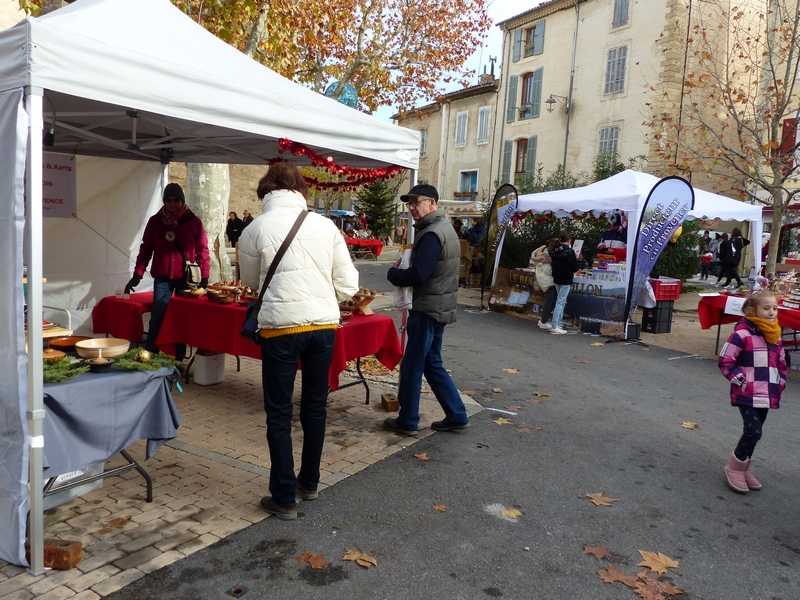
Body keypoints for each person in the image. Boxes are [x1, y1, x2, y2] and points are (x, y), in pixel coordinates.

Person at [238, 162, 359, 521]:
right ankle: (310, 482)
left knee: (278, 412)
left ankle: (284, 497)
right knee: (315, 407)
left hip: (281, 330)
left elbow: (250, 283)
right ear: (300, 189)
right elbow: (349, 285)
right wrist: (324, 298)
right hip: (323, 327)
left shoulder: (255, 228)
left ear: (267, 192)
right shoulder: (326, 226)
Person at [383, 183, 469, 436]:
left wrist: (393, 274)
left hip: (427, 309)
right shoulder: (444, 229)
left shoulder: (432, 233)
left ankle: (407, 421)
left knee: (412, 366)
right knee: (432, 363)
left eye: (416, 202)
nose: (411, 208)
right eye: (409, 204)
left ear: (431, 203)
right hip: (438, 307)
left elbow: (419, 274)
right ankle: (457, 414)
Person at [125, 183, 210, 366]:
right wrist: (138, 273)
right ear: (164, 201)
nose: (172, 203)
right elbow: (146, 249)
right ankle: (150, 353)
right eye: (169, 200)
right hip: (162, 277)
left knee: (180, 318)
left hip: (184, 279)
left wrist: (204, 275)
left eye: (176, 200)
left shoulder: (193, 222)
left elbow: (203, 250)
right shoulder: (155, 222)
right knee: (158, 315)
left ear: (182, 201)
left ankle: (178, 358)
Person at [718, 291, 786, 493]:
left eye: (774, 308)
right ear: (751, 311)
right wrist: (741, 381)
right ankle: (734, 468)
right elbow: (725, 360)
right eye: (766, 308)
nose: (772, 312)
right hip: (747, 392)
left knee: (756, 434)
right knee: (753, 431)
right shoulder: (741, 334)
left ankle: (744, 467)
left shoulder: (775, 335)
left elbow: (781, 363)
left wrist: (780, 381)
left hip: (768, 392)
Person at [549, 230, 578, 335]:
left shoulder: (554, 250)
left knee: (560, 301)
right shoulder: (570, 251)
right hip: (566, 279)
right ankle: (555, 325)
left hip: (557, 278)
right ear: (569, 240)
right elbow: (574, 266)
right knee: (560, 302)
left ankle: (559, 323)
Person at [531, 238, 559, 330]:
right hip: (547, 281)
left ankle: (544, 320)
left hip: (546, 280)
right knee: (549, 301)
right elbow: (548, 270)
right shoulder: (545, 256)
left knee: (552, 301)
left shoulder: (544, 253)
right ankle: (544, 321)